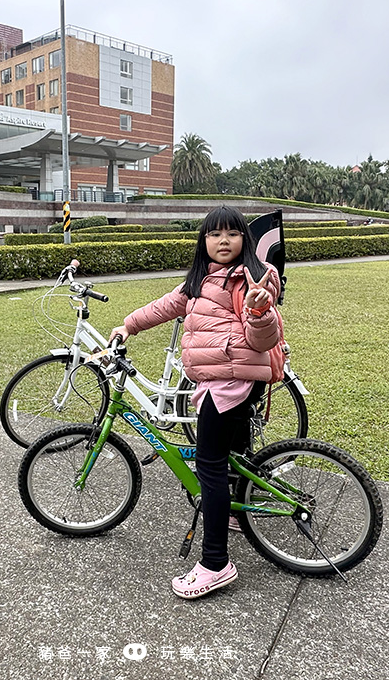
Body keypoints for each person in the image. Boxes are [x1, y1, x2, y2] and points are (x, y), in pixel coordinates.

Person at [110, 205, 281, 599]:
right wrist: (129, 324)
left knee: (210, 467)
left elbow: (263, 340)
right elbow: (167, 304)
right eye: (214, 234)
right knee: (230, 454)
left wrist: (259, 311)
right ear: (203, 241)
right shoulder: (202, 278)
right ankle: (237, 511)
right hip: (219, 378)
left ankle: (216, 563)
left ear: (246, 239)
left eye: (232, 233)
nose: (223, 241)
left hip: (230, 382)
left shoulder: (253, 277)